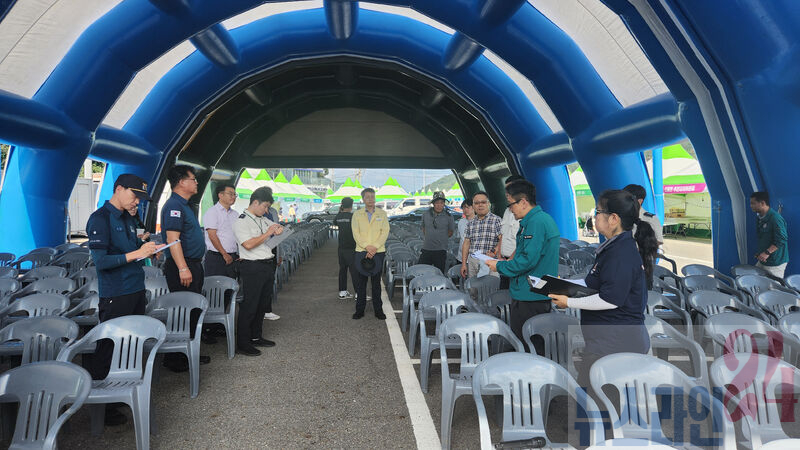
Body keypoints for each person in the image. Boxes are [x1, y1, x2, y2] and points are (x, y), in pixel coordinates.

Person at [549, 190, 659, 389]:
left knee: (600, 400)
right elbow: (593, 284)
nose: (595, 216)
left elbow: (610, 299)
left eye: (598, 212)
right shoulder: (613, 248)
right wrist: (564, 286)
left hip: (617, 344)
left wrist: (570, 302)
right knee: (594, 397)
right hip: (606, 342)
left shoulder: (621, 253)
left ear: (614, 219)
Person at [86, 174, 161, 426]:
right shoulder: (100, 218)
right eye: (134, 195)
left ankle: (121, 392)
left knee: (131, 344)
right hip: (115, 293)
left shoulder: (129, 218)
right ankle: (102, 407)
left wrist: (146, 248)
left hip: (135, 289)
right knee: (108, 347)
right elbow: (101, 262)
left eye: (140, 198)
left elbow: (131, 248)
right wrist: (137, 252)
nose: (136, 202)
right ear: (118, 189)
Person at [485, 180, 560, 353]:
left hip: (531, 295)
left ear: (524, 202)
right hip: (532, 291)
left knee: (528, 346)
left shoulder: (536, 222)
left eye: (511, 204)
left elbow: (527, 260)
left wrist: (500, 267)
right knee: (530, 344)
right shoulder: (537, 220)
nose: (510, 209)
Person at [160, 165, 210, 370]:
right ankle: (175, 358)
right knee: (182, 312)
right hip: (182, 265)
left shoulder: (185, 205)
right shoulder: (174, 205)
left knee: (192, 310)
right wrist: (182, 268)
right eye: (193, 179)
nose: (196, 183)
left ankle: (188, 352)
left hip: (192, 264)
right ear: (181, 182)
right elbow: (173, 239)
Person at [233, 187, 284, 356]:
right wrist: (268, 233)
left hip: (267, 264)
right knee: (250, 306)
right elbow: (248, 244)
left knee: (263, 304)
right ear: (255, 202)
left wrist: (278, 229)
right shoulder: (241, 221)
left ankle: (256, 336)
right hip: (252, 267)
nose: (266, 210)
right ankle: (243, 343)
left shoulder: (262, 219)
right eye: (265, 206)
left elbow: (277, 227)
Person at [351, 187, 390, 320]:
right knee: (361, 283)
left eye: (372, 197)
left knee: (376, 283)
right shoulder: (357, 214)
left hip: (378, 252)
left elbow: (385, 232)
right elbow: (355, 233)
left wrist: (375, 247)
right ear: (363, 199)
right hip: (362, 251)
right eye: (367, 197)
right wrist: (367, 247)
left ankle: (378, 310)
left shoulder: (382, 214)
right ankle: (359, 310)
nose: (370, 199)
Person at [460, 191, 502, 279]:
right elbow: (466, 243)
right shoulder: (471, 223)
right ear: (473, 206)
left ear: (488, 204)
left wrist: (494, 251)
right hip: (473, 262)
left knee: (490, 286)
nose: (480, 205)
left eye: (483, 202)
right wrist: (464, 264)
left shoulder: (497, 220)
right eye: (476, 203)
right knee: (473, 286)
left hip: (489, 262)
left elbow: (502, 240)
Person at [203, 184, 239, 279]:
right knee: (215, 286)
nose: (233, 197)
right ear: (220, 195)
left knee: (230, 285)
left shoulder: (235, 214)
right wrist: (224, 254)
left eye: (235, 194)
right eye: (230, 194)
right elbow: (212, 236)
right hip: (217, 257)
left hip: (232, 256)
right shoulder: (212, 212)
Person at [750, 191, 789, 277]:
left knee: (773, 285)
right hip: (763, 260)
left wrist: (767, 252)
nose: (751, 206)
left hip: (775, 263)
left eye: (753, 203)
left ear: (762, 203)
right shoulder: (760, 218)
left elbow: (782, 239)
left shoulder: (775, 218)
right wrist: (761, 252)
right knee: (754, 280)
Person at [419, 191, 455, 274]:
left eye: (441, 203)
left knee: (439, 273)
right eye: (437, 203)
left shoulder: (449, 216)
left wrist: (441, 238)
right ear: (433, 204)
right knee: (421, 272)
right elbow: (423, 228)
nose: (439, 205)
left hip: (441, 250)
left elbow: (450, 232)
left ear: (444, 204)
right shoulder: (425, 214)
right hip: (426, 249)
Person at [499, 175, 525, 289]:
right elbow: (502, 234)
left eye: (510, 189)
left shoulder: (527, 214)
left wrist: (511, 259)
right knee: (503, 291)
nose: (507, 193)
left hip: (516, 262)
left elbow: (523, 240)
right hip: (504, 261)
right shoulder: (507, 210)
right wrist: (499, 255)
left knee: (515, 292)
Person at [334, 197, 357, 299]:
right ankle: (358, 293)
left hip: (341, 248)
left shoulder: (338, 216)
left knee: (342, 270)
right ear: (351, 205)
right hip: (351, 247)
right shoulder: (353, 216)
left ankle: (342, 292)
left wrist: (341, 211)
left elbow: (335, 223)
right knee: (355, 271)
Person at [455, 198, 474, 264]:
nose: (465, 209)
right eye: (463, 208)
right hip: (460, 257)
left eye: (468, 207)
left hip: (474, 259)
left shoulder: (480, 222)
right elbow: (459, 237)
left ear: (474, 208)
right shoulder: (461, 222)